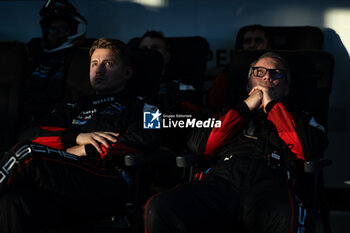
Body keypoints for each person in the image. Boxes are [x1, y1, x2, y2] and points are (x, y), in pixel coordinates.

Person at [144, 52, 328, 233]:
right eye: (259, 72)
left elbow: (308, 151)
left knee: (290, 213)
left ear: (287, 88)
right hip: (220, 183)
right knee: (160, 206)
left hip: (271, 184)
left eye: (276, 73)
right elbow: (200, 146)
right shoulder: (225, 114)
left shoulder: (303, 119)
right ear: (249, 85)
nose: (267, 77)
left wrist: (272, 106)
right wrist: (246, 107)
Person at [0, 38, 159, 233]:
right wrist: (73, 140)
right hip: (66, 178)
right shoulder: (72, 106)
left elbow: (148, 137)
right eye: (94, 64)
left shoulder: (147, 105)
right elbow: (28, 133)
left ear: (127, 72)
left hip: (111, 179)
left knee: (26, 155)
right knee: (14, 201)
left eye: (108, 64)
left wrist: (89, 149)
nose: (98, 70)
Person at [21, 0, 88, 123]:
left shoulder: (84, 55)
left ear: (76, 28)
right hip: (24, 118)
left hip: (60, 121)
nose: (55, 33)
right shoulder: (33, 49)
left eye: (62, 28)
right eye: (52, 29)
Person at [207, 24, 271, 111]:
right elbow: (214, 103)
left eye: (258, 41)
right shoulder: (230, 69)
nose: (252, 45)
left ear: (268, 45)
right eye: (247, 41)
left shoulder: (277, 70)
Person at [138, 30, 201, 115]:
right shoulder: (127, 84)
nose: (149, 52)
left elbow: (187, 116)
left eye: (155, 48)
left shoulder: (181, 85)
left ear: (167, 56)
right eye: (144, 49)